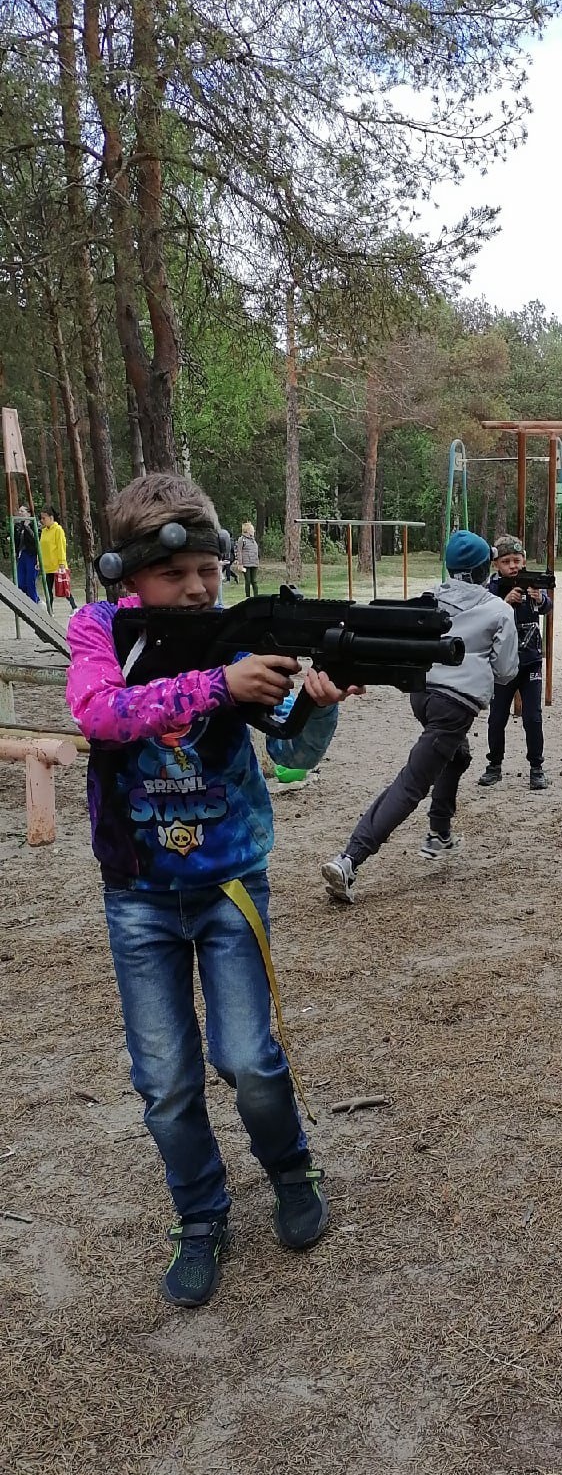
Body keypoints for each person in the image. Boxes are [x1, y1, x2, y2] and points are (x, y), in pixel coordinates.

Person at [65, 471, 357, 1309]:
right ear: (126, 576)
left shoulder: (237, 639)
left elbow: (292, 757)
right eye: (176, 574)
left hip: (231, 885)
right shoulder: (98, 631)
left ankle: (290, 1169)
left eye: (209, 572)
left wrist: (319, 703)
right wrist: (215, 688)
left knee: (247, 1061)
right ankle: (199, 1216)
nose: (197, 589)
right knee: (164, 1080)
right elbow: (97, 712)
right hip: (139, 895)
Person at [322, 529, 517, 903]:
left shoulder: (432, 600)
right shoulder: (497, 610)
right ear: (482, 570)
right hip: (455, 705)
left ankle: (440, 831)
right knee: (412, 783)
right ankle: (349, 859)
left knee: (456, 756)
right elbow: (507, 672)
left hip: (421, 695)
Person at [478, 534, 552, 792]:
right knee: (497, 719)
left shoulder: (531, 582)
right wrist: (504, 603)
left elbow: (546, 606)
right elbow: (484, 615)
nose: (513, 566)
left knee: (533, 717)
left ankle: (536, 767)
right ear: (496, 564)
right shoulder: (491, 587)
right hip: (502, 666)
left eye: (517, 560)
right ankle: (494, 765)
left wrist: (539, 598)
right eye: (506, 561)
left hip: (531, 661)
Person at [38, 506, 76, 613]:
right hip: (46, 565)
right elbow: (41, 547)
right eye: (41, 518)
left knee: (63, 587)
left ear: (51, 517)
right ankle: (50, 611)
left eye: (44, 518)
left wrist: (62, 562)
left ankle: (74, 607)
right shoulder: (44, 531)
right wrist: (38, 560)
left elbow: (61, 546)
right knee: (48, 589)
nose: (42, 520)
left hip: (57, 565)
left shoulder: (58, 529)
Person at [14, 508, 42, 604]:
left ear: (29, 513)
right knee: (21, 583)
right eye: (19, 511)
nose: (20, 513)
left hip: (32, 555)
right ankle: (35, 600)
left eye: (22, 511)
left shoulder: (35, 525)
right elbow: (16, 541)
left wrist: (27, 527)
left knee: (30, 581)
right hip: (22, 555)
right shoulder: (19, 526)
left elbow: (36, 540)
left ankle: (34, 602)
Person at [235, 521, 260, 598]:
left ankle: (256, 597)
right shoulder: (241, 540)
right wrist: (240, 564)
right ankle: (248, 597)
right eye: (252, 529)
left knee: (254, 581)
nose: (254, 531)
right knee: (248, 581)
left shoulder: (253, 540)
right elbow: (239, 551)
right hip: (246, 564)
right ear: (248, 530)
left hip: (254, 563)